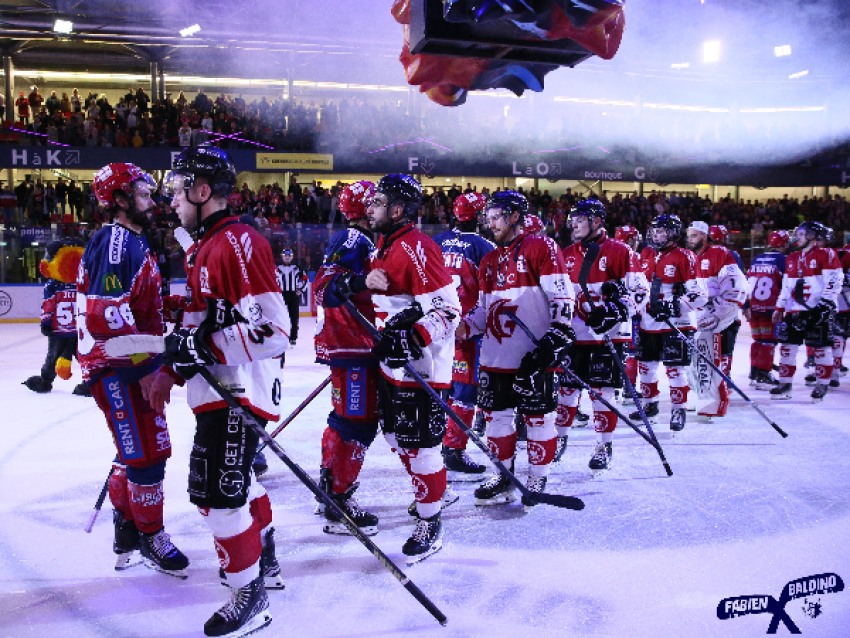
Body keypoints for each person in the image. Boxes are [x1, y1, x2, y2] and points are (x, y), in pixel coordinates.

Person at [159, 147, 290, 636]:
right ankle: (264, 562)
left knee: (218, 493)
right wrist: (176, 365)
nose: (171, 200)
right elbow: (203, 326)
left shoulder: (235, 242)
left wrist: (202, 344)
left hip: (237, 391)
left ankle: (247, 593)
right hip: (220, 389)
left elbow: (275, 331)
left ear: (201, 191)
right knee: (231, 485)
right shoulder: (209, 243)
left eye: (177, 189)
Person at [77, 163, 189, 581]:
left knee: (136, 452)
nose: (152, 200)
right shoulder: (117, 242)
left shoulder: (131, 242)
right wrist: (144, 368)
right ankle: (150, 536)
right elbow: (104, 313)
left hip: (122, 363)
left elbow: (131, 305)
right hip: (120, 367)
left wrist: (169, 308)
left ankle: (127, 533)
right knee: (148, 454)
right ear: (120, 201)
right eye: (142, 194)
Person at [364, 173, 461, 564]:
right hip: (395, 365)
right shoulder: (385, 246)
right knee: (395, 436)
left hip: (423, 367)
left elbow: (449, 310)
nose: (370, 207)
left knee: (420, 448)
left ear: (398, 209)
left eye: (378, 202)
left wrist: (414, 337)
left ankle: (431, 520)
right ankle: (432, 489)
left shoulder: (417, 247)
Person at [457, 191, 575, 506]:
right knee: (496, 419)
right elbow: (483, 311)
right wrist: (461, 328)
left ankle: (537, 479)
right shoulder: (489, 259)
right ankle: (504, 478)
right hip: (496, 358)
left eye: (496, 216)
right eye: (487, 217)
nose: (489, 223)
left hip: (534, 357)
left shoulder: (541, 246)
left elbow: (562, 298)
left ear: (513, 216)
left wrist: (556, 337)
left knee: (538, 420)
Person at [558, 200, 648, 474]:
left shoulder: (621, 251)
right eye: (572, 219)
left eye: (580, 219)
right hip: (573, 336)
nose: (573, 223)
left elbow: (639, 292)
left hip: (607, 337)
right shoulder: (565, 253)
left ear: (596, 221)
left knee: (602, 394)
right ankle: (558, 440)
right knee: (566, 391)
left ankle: (603, 445)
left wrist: (618, 308)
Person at [313, 180, 382, 535]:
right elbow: (324, 288)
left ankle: (330, 488)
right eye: (375, 202)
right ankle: (339, 499)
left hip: (356, 345)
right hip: (354, 345)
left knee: (345, 420)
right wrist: (360, 284)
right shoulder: (353, 239)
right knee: (356, 424)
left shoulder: (364, 239)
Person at [433, 191, 494, 481]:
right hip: (466, 333)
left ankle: (431, 447)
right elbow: (492, 293)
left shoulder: (437, 241)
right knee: (465, 393)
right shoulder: (484, 247)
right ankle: (453, 450)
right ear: (480, 216)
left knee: (438, 389)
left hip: (433, 329)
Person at [633, 214, 707, 431]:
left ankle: (678, 409)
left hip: (677, 323)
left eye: (661, 231)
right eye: (654, 231)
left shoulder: (686, 257)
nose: (656, 235)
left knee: (675, 369)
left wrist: (674, 306)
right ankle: (650, 406)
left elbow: (700, 295)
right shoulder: (645, 254)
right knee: (646, 367)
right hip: (649, 322)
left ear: (673, 233)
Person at [771, 222, 843, 402]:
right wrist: (780, 307)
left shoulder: (826, 253)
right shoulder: (792, 257)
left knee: (820, 349)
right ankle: (785, 383)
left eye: (802, 234)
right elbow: (787, 286)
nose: (797, 237)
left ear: (812, 235)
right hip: (794, 310)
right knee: (787, 348)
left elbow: (834, 281)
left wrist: (825, 305)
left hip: (818, 310)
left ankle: (822, 384)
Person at [685, 223, 746, 420]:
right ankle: (697, 399)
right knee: (691, 363)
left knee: (711, 362)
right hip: (696, 321)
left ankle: (712, 405)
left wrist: (718, 315)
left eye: (694, 235)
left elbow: (735, 288)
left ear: (705, 236)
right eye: (688, 235)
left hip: (720, 320)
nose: (690, 239)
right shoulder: (688, 257)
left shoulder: (720, 253)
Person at [23, 240, 89, 396]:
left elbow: (48, 305)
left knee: (55, 357)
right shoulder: (83, 283)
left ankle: (45, 381)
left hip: (61, 330)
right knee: (83, 357)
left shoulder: (54, 286)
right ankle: (90, 382)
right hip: (78, 330)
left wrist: (45, 322)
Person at [745, 230, 791, 389]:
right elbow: (787, 285)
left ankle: (754, 371)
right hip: (770, 308)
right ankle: (763, 374)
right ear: (785, 243)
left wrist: (746, 306)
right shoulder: (784, 260)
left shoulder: (758, 258)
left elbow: (747, 282)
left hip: (753, 306)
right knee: (768, 342)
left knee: (758, 340)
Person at [614, 225, 643, 404]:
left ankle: (616, 389)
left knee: (616, 351)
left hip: (611, 313)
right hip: (631, 312)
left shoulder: (607, 254)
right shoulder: (634, 257)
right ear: (631, 240)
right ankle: (628, 388)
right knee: (631, 351)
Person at [276, 248, 307, 347]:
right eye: (285, 256)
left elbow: (305, 279)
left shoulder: (297, 268)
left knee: (294, 317)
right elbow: (271, 280)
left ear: (292, 257)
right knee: (280, 317)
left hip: (293, 295)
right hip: (281, 295)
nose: (287, 257)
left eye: (289, 256)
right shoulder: (276, 268)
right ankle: (281, 337)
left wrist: (301, 289)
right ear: (282, 257)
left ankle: (293, 338)